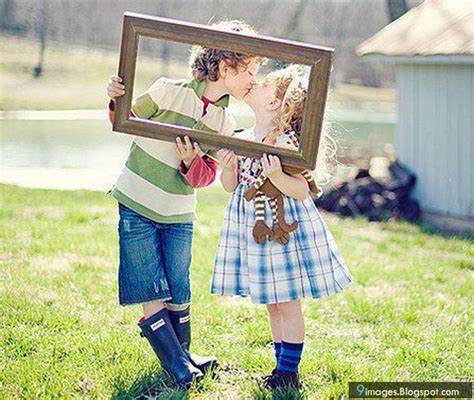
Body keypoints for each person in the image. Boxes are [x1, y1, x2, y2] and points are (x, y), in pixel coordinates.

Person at [106, 20, 262, 386]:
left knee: (178, 283)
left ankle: (185, 355)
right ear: (225, 68)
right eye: (251, 70)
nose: (254, 79)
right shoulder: (167, 91)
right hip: (138, 201)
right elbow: (123, 118)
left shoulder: (224, 122)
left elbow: (205, 177)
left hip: (178, 212)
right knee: (149, 283)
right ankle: (177, 366)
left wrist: (193, 162)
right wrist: (115, 95)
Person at [212, 65, 354, 390]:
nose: (254, 84)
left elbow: (302, 190)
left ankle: (289, 372)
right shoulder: (244, 138)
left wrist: (277, 177)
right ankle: (279, 368)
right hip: (255, 229)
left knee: (287, 301)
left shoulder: (285, 143)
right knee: (272, 302)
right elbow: (230, 186)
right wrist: (229, 168)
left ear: (275, 103)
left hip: (283, 233)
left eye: (263, 84)